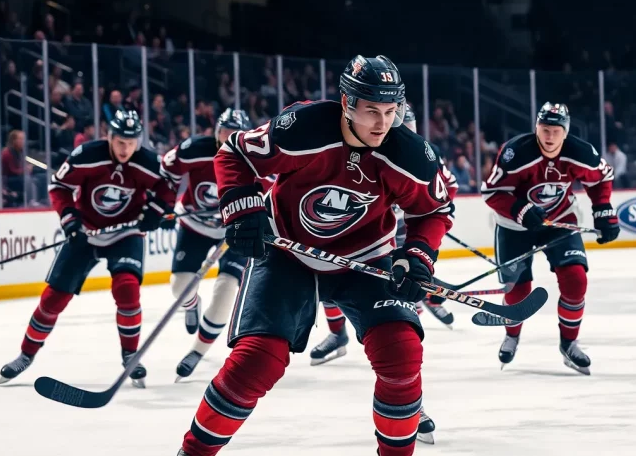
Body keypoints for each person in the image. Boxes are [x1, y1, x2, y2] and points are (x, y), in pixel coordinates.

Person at [176, 55, 457, 456]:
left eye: (391, 112)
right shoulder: (302, 127)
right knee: (257, 361)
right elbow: (235, 153)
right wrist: (242, 207)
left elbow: (433, 211)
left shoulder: (410, 155)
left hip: (366, 257)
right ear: (346, 103)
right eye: (372, 111)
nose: (382, 124)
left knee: (402, 352)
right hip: (288, 252)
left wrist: (416, 256)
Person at [306, 104, 453, 445]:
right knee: (334, 285)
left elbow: (443, 203)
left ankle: (413, 405)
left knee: (401, 332)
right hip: (361, 240)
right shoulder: (359, 147)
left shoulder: (422, 157)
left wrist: (419, 256)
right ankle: (337, 334)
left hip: (398, 246)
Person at [0, 111, 177, 387]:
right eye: (120, 142)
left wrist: (156, 211)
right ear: (109, 137)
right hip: (87, 232)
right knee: (53, 299)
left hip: (126, 233)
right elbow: (59, 186)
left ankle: (130, 355)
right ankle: (25, 354)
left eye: (131, 142)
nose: (126, 148)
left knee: (127, 287)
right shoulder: (87, 155)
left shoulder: (148, 161)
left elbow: (167, 186)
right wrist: (71, 222)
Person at [480, 102, 620, 376]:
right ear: (536, 128)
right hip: (514, 226)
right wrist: (521, 209)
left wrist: (603, 208)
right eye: (545, 129)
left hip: (560, 221)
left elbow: (602, 178)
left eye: (556, 130)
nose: (550, 136)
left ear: (565, 132)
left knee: (576, 280)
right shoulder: (516, 153)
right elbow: (491, 192)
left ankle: (569, 344)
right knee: (518, 290)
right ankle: (512, 334)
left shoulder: (581, 152)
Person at [160, 108, 253, 381]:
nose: (228, 138)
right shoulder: (195, 149)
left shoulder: (255, 155)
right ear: (216, 131)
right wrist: (164, 204)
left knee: (227, 288)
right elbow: (167, 168)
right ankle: (191, 305)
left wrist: (258, 215)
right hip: (195, 226)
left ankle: (197, 351)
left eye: (235, 133)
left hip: (232, 230)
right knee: (180, 286)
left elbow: (275, 189)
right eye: (225, 131)